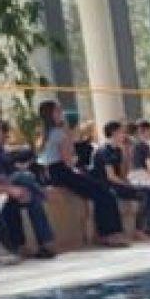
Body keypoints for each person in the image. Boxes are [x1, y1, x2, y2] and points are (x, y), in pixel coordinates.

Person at [34, 101, 128, 248]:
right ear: (51, 115)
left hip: (51, 173)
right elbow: (68, 160)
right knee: (105, 192)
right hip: (62, 172)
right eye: (58, 111)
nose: (61, 114)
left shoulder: (46, 135)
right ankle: (109, 234)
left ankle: (106, 234)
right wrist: (68, 134)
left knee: (99, 191)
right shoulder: (59, 133)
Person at [93, 121, 150, 240]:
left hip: (119, 183)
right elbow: (111, 176)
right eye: (121, 132)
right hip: (108, 185)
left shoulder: (118, 150)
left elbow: (123, 174)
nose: (124, 135)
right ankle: (138, 229)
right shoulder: (104, 150)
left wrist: (127, 156)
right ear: (114, 133)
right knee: (143, 196)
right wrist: (127, 185)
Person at [0, 117, 56, 260]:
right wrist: (11, 190)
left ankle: (45, 244)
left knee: (32, 198)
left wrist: (15, 190)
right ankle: (42, 193)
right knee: (23, 177)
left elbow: (0, 175)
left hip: (1, 187)